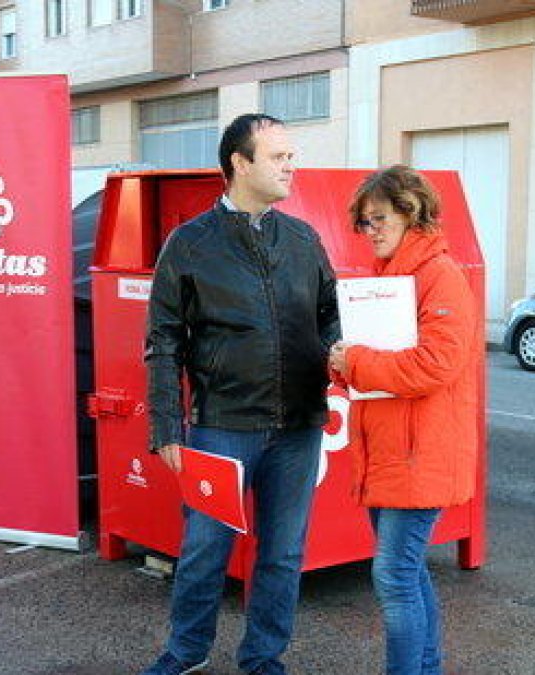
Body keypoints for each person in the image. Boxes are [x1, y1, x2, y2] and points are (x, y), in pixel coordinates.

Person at [142, 113, 340, 675]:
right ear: (240, 163)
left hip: (299, 427)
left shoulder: (303, 239)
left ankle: (263, 659)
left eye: (291, 156)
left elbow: (330, 319)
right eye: (278, 157)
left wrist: (340, 361)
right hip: (222, 426)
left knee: (282, 554)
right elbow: (162, 341)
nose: (290, 167)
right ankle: (185, 653)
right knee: (205, 550)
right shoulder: (189, 244)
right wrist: (165, 427)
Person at [328, 165, 481, 675]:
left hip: (420, 454)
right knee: (408, 574)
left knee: (394, 576)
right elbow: (381, 369)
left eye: (378, 218)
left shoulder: (440, 276)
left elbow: (437, 365)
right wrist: (346, 365)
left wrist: (358, 361)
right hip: (393, 452)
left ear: (410, 212)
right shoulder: (391, 275)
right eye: (363, 223)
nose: (368, 231)